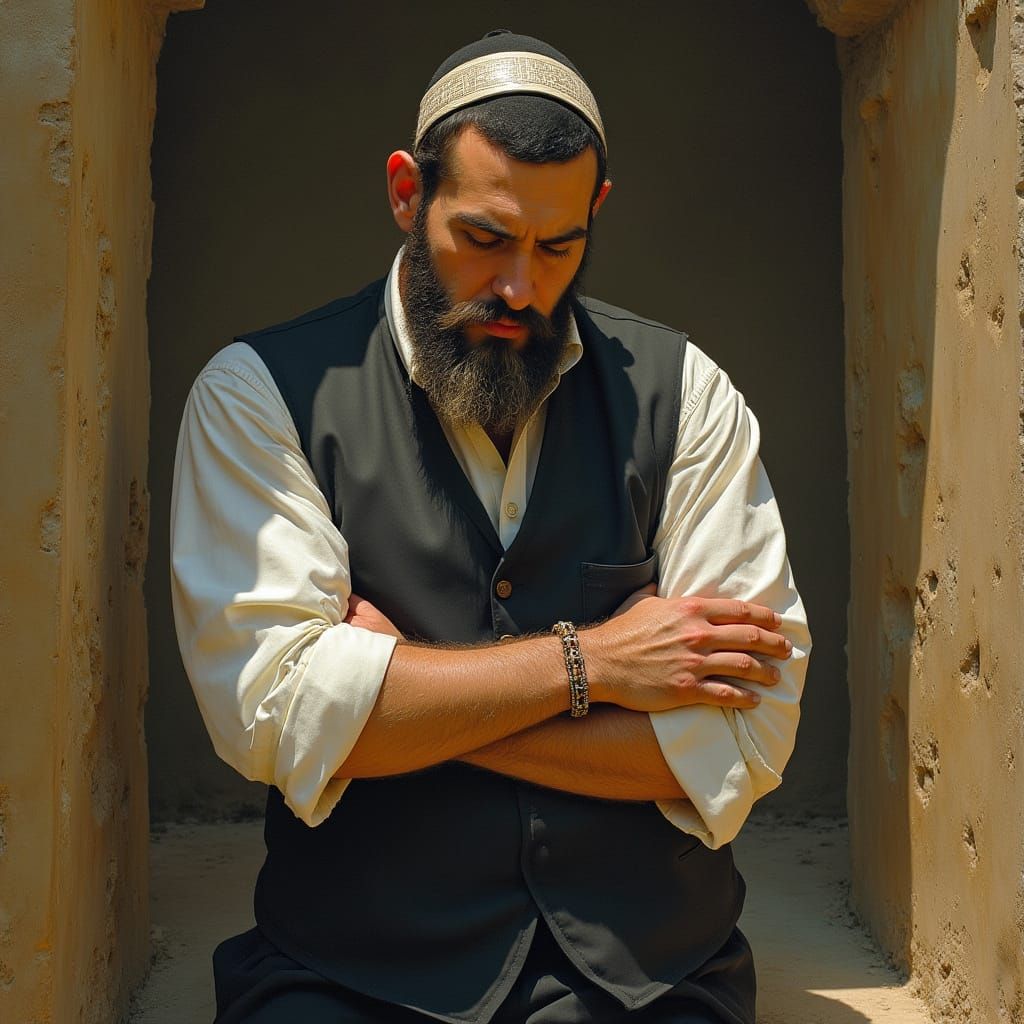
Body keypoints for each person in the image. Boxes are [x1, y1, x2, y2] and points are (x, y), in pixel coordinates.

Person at [171, 29, 810, 1024]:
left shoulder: (687, 394)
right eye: (483, 238)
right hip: (348, 972)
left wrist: (387, 703)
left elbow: (748, 732)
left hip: (644, 974)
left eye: (557, 248)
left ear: (595, 212)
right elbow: (272, 716)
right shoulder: (260, 395)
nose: (519, 286)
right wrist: (591, 665)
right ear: (404, 193)